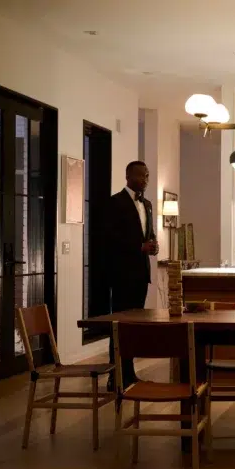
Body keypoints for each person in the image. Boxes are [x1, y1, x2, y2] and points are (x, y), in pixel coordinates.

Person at [105, 160, 158, 391]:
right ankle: (114, 376)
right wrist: (139, 247)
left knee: (134, 326)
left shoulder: (147, 204)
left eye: (147, 175)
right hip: (122, 274)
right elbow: (110, 238)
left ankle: (129, 373)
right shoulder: (115, 202)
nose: (145, 179)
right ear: (128, 176)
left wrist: (153, 245)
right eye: (141, 175)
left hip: (141, 274)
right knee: (119, 325)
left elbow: (149, 233)